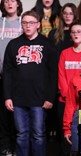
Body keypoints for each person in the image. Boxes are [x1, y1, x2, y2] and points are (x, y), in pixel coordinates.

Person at [3, 10, 58, 156]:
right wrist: (7, 97)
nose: (28, 26)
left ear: (38, 25)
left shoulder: (47, 45)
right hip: (18, 99)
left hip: (39, 100)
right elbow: (7, 73)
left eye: (31, 23)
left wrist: (50, 98)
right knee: (21, 135)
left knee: (39, 135)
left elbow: (53, 74)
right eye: (25, 23)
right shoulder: (13, 44)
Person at [58, 21, 81, 156]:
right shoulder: (64, 53)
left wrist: (79, 97)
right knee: (66, 133)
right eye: (73, 32)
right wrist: (68, 96)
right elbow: (61, 76)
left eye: (79, 31)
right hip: (65, 101)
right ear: (70, 35)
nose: (76, 34)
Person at [0, 0, 23, 155]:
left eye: (12, 0)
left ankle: (17, 147)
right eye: (6, 0)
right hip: (1, 76)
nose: (9, 3)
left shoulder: (24, 23)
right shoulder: (0, 22)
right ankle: (4, 147)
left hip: (19, 78)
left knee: (18, 113)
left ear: (18, 4)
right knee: (2, 115)